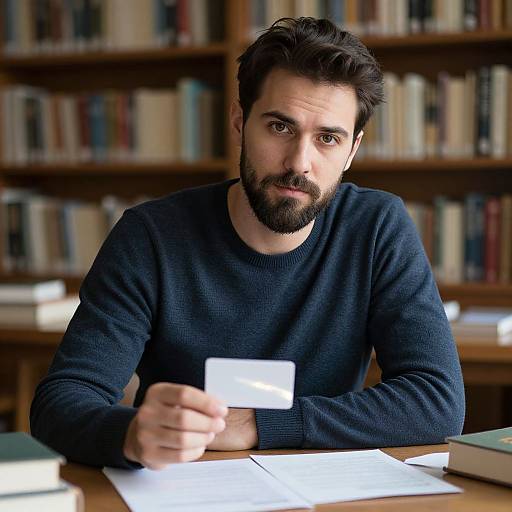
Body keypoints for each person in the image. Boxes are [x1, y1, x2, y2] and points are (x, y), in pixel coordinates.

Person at [31, 17, 465, 470]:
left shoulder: (377, 227)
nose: (300, 162)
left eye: (328, 139)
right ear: (240, 121)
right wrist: (130, 434)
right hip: (182, 489)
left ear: (352, 151)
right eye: (280, 127)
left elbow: (437, 400)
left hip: (327, 492)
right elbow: (60, 403)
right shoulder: (150, 237)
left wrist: (258, 424)